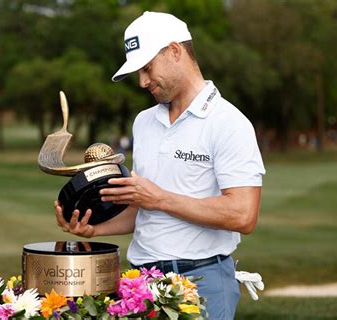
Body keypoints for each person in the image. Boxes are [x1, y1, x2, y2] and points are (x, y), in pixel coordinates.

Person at [55, 11, 265, 319]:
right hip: (141, 283)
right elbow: (143, 211)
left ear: (175, 51)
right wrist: (94, 228)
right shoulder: (144, 122)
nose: (142, 82)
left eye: (147, 68)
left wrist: (159, 198)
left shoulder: (229, 123)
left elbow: (243, 214)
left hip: (202, 282)